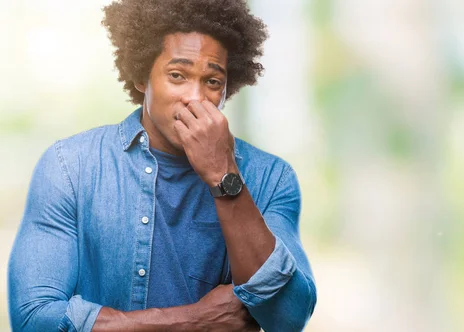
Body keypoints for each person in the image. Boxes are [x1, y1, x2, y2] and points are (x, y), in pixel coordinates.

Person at [7, 0, 317, 331]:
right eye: (177, 75)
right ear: (143, 77)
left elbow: (288, 317)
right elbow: (34, 318)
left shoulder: (271, 178)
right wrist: (196, 321)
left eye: (212, 81)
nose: (195, 97)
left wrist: (223, 175)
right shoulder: (69, 167)